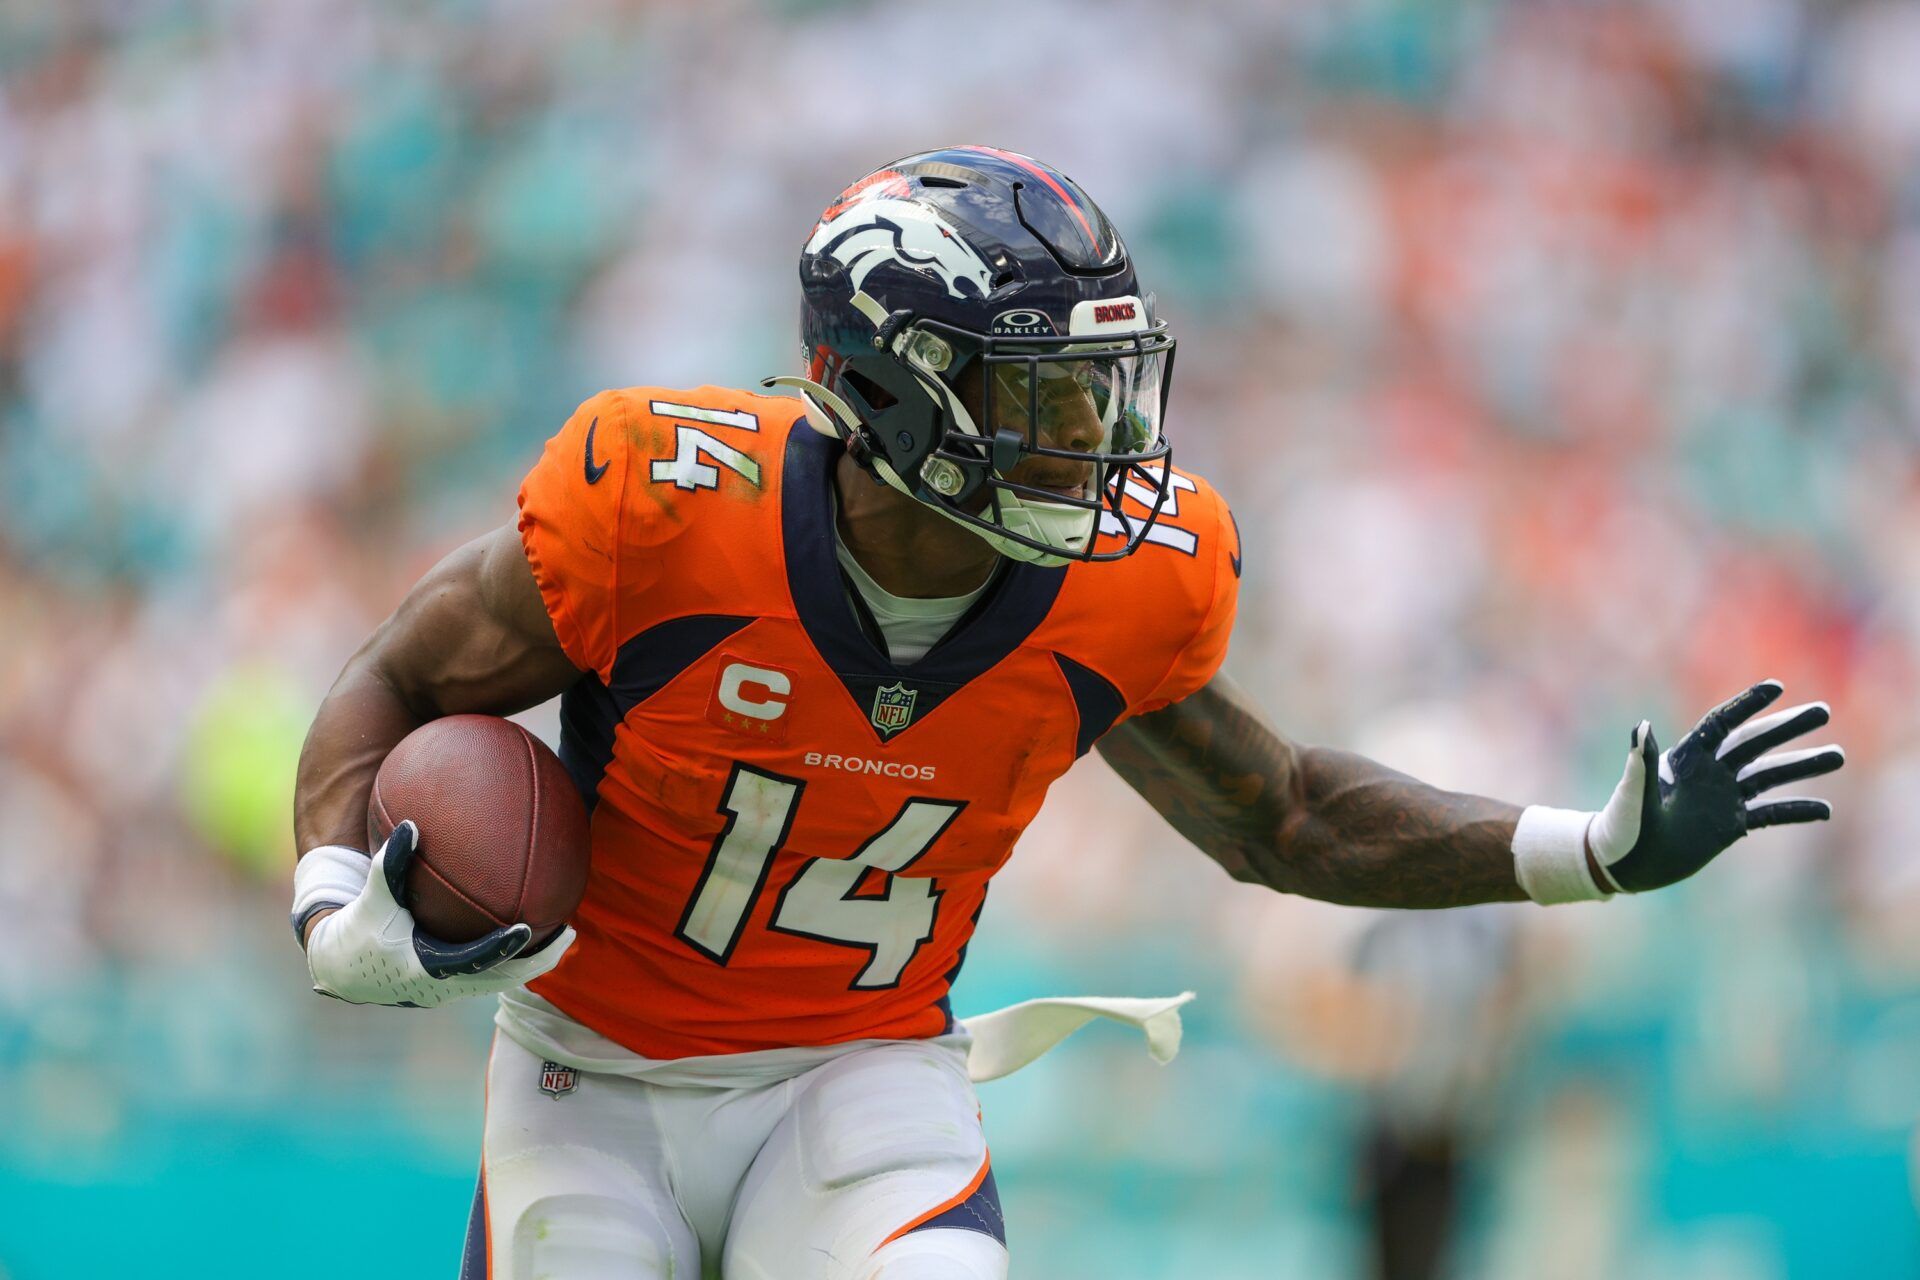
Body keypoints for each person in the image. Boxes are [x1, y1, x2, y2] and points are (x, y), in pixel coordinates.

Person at [288, 146, 1846, 1280]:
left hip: (859, 1073)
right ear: (889, 393)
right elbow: (396, 679)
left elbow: (1282, 812)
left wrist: (1589, 849)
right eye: (1042, 393)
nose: (1096, 437)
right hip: (590, 1076)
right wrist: (330, 898)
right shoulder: (664, 507)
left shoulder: (1128, 585)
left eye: (1104, 389)